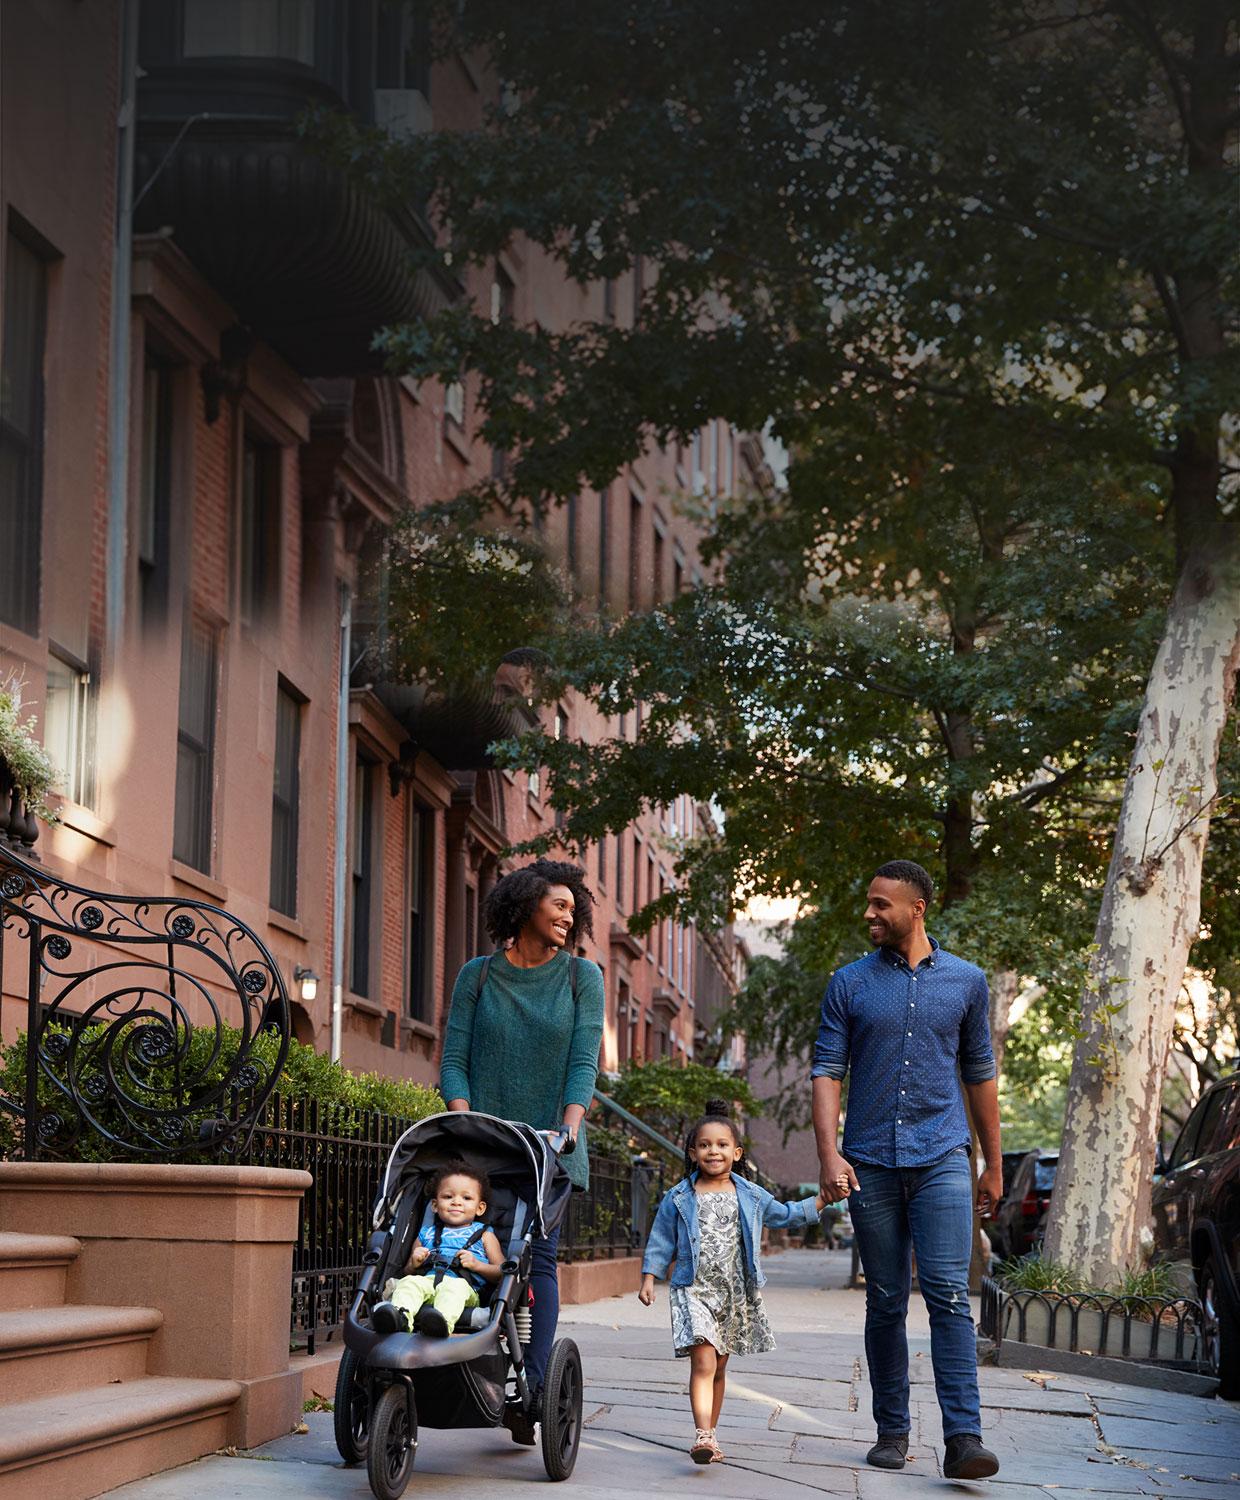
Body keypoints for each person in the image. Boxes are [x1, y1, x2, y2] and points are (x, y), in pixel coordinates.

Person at [813, 859, 1003, 1481]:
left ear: (916, 908)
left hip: (944, 1156)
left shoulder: (968, 982)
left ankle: (963, 1438)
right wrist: (828, 1153)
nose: (869, 913)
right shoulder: (849, 983)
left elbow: (980, 1073)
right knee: (887, 1298)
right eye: (868, 903)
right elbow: (826, 1073)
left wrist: (992, 1164)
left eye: (880, 904)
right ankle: (892, 1431)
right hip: (868, 1161)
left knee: (949, 1295)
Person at [439, 858, 604, 1442]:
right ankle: (468, 1365)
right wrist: (461, 1121)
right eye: (558, 905)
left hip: (550, 1149)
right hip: (481, 1147)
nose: (569, 915)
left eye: (572, 908)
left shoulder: (583, 977)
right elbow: (454, 1057)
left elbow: (584, 1059)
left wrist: (571, 1125)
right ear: (526, 903)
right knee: (466, 1247)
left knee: (537, 1263)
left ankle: (531, 1386)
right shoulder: (477, 976)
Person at [638, 1099, 838, 1465]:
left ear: (736, 1152)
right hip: (693, 1289)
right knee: (703, 1363)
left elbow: (786, 1215)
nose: (713, 1151)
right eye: (705, 1145)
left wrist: (822, 1200)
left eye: (722, 1145)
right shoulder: (680, 1196)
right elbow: (661, 1238)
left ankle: (710, 1437)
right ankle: (702, 1434)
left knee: (720, 1367)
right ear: (693, 1152)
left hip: (734, 1293)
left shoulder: (750, 1194)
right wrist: (649, 1277)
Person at [371, 1162, 504, 1336]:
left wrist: (477, 1265)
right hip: (428, 1282)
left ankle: (440, 1323)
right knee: (409, 1284)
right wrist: (414, 1262)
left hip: (465, 1288)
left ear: (480, 1208)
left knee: (453, 1289)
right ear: (435, 1205)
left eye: (466, 1198)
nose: (456, 1202)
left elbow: (502, 1271)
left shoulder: (484, 1235)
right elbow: (407, 1271)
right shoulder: (426, 1233)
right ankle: (399, 1318)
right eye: (448, 1197)